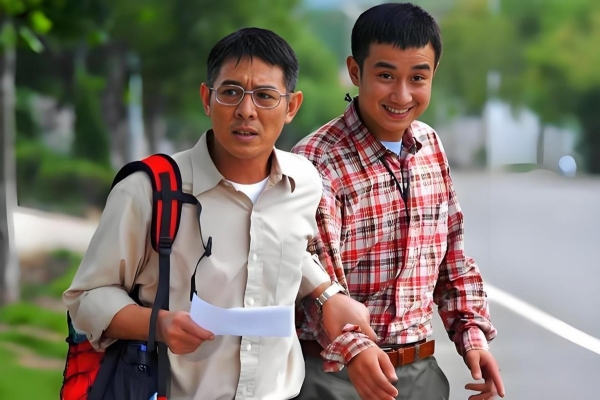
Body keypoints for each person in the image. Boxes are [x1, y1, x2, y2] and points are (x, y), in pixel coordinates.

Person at [63, 27, 375, 400]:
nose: (246, 111)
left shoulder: (304, 183)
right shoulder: (149, 190)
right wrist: (158, 324)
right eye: (230, 92)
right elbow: (87, 297)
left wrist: (326, 294)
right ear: (206, 99)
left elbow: (290, 247)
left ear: (291, 107)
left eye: (265, 96)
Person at [292, 3, 505, 400]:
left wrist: (473, 338)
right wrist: (355, 349)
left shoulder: (430, 146)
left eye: (417, 77)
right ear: (355, 71)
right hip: (337, 375)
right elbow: (314, 283)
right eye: (386, 75)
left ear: (433, 74)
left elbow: (452, 261)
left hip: (420, 372)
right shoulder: (316, 161)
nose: (402, 94)